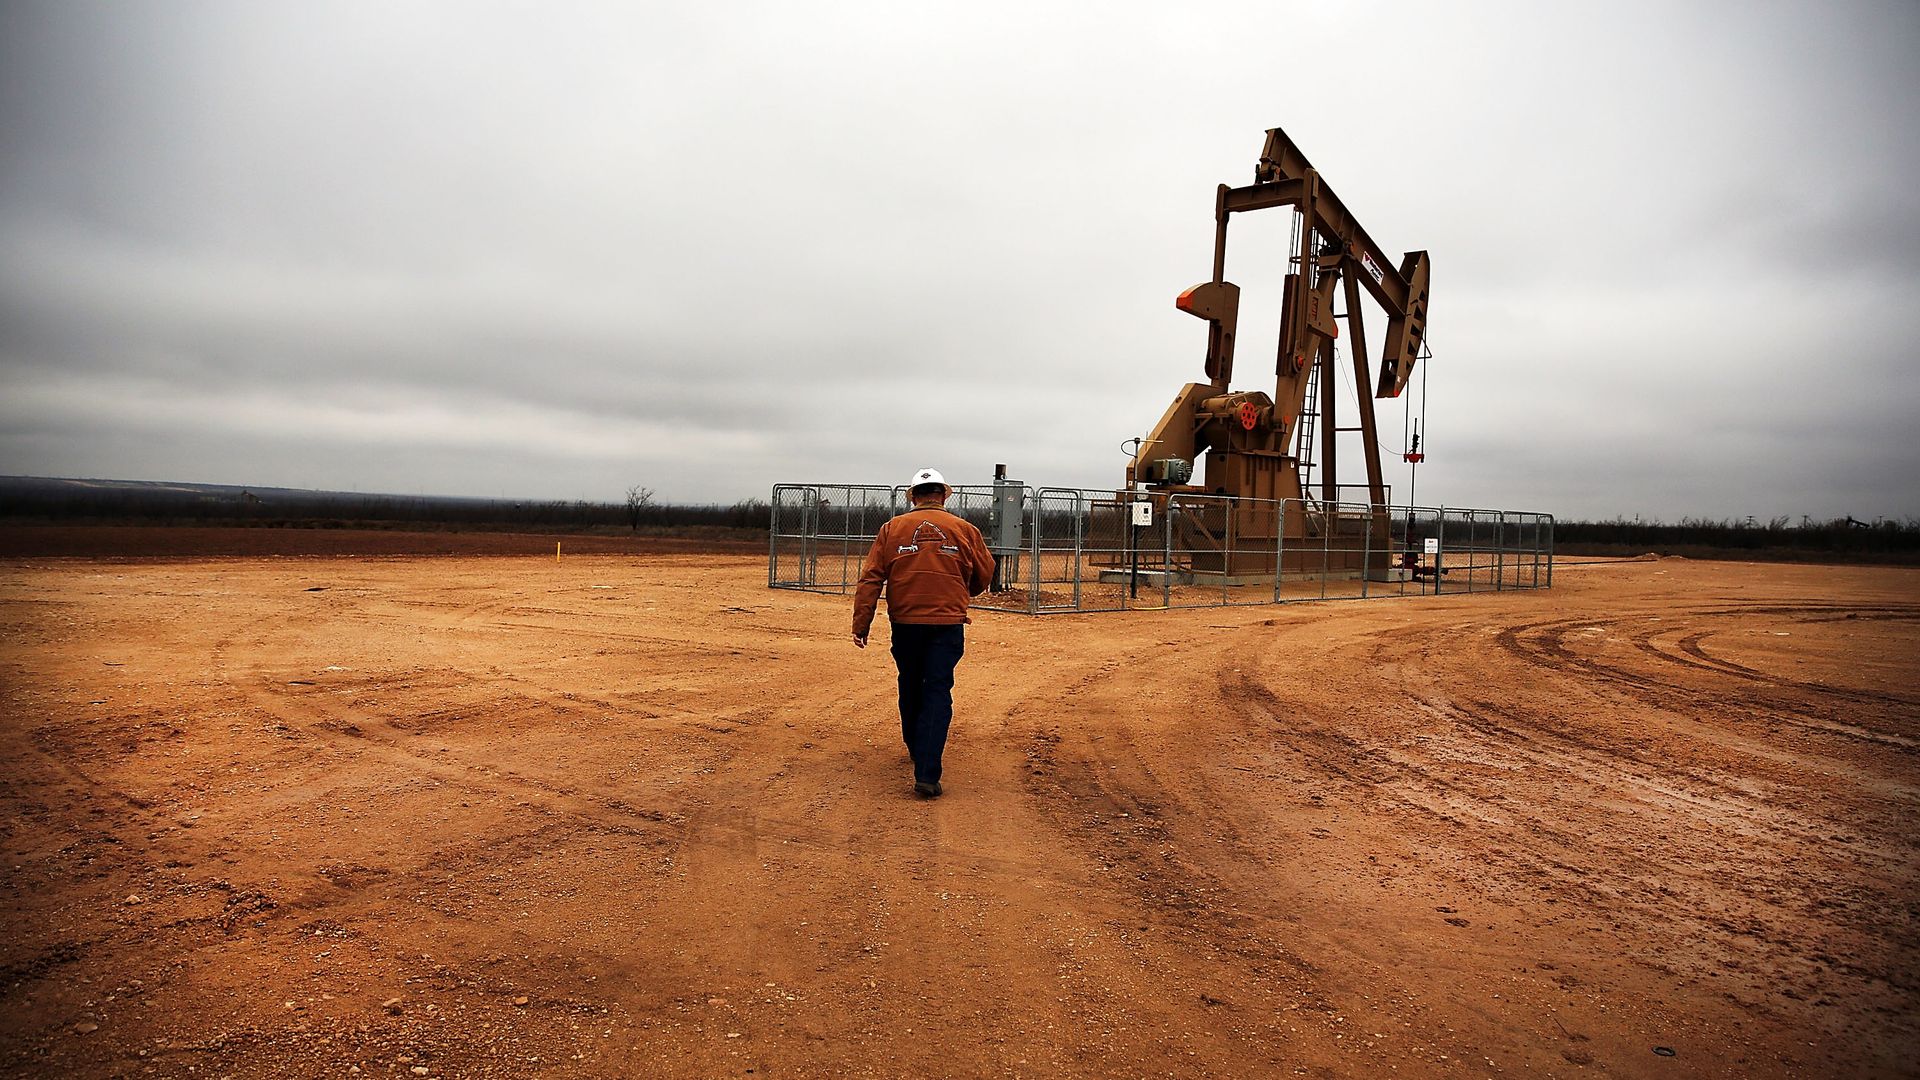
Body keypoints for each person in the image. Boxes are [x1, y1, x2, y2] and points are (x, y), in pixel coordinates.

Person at [851, 468, 995, 798]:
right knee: (938, 688)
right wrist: (963, 593)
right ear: (943, 495)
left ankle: (915, 745)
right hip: (947, 623)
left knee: (910, 681)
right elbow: (985, 573)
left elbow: (871, 579)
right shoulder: (965, 530)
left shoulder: (891, 529)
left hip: (905, 623)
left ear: (913, 496)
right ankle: (927, 772)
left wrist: (862, 624)